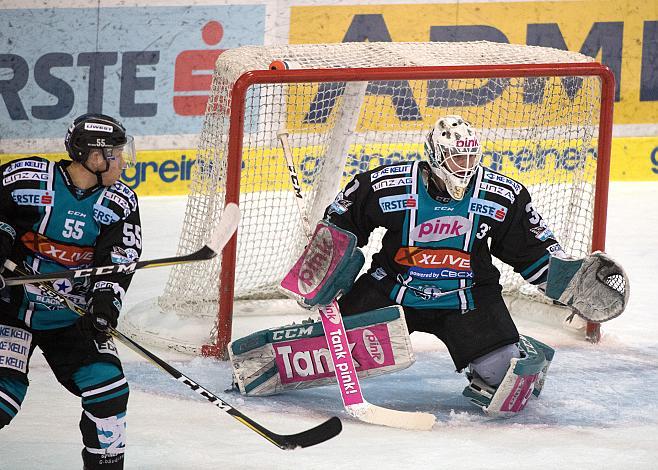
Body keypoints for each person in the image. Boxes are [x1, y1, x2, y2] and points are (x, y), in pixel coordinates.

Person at [0, 114, 142, 469]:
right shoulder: (27, 180)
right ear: (94, 157)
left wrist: (105, 304)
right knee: (3, 398)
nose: (123, 161)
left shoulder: (119, 203)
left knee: (109, 393)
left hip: (71, 315)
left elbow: (118, 262)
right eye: (116, 153)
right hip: (10, 309)